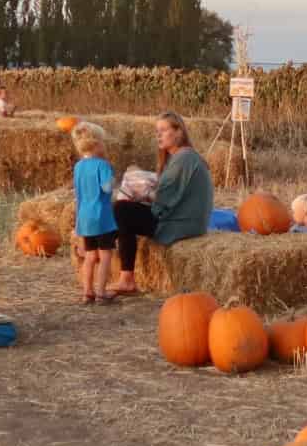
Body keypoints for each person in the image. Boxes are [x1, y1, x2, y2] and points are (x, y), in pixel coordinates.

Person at [111, 110, 214, 295]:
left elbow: (162, 201)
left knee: (121, 210)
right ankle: (109, 258)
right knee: (125, 208)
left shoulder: (184, 158)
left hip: (181, 223)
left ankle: (121, 273)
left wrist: (139, 194)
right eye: (156, 131)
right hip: (186, 219)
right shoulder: (180, 158)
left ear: (179, 132)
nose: (158, 135)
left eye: (163, 130)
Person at [72, 122, 119, 303]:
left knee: (90, 256)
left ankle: (87, 292)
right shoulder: (103, 165)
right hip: (101, 216)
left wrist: (77, 225)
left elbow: (78, 193)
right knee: (105, 254)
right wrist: (113, 180)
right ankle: (101, 291)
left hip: (84, 217)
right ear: (97, 144)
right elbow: (106, 188)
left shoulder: (78, 167)